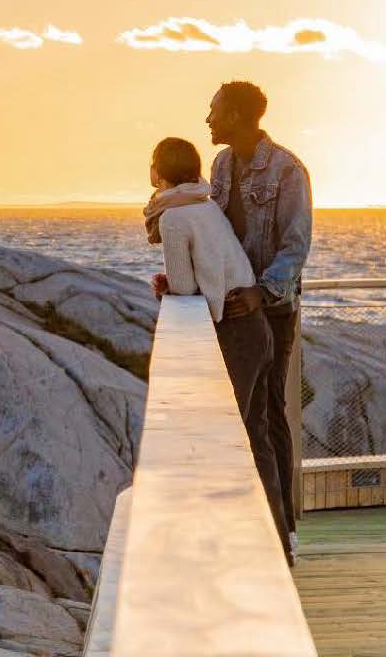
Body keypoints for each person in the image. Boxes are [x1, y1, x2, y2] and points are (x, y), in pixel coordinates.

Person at [144, 136, 287, 546]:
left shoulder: (173, 217)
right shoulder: (205, 205)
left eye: (153, 164)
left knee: (226, 446)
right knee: (256, 442)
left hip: (236, 335)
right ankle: (277, 542)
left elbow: (188, 288)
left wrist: (171, 288)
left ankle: (230, 546)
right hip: (256, 329)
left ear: (160, 172)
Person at [206, 80, 313, 550]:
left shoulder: (288, 170)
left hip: (270, 310)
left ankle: (282, 528)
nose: (207, 119)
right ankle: (249, 520)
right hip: (233, 310)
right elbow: (213, 229)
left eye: (214, 111)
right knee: (238, 413)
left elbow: (296, 245)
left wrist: (262, 292)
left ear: (236, 116)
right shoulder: (222, 164)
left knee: (269, 412)